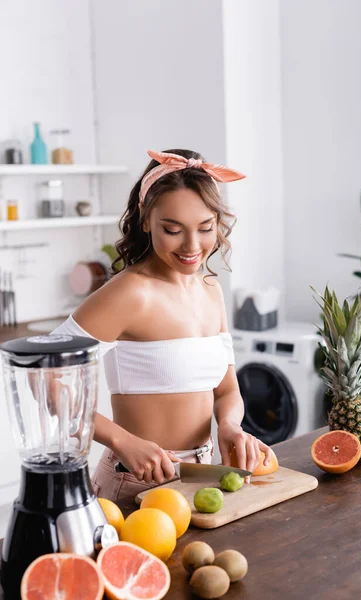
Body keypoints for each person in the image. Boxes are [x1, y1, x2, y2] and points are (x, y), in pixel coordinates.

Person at [52, 149, 271, 502]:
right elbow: (47, 376)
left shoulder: (210, 290)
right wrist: (122, 442)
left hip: (204, 478)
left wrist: (230, 426)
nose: (192, 246)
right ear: (144, 220)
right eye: (172, 230)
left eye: (205, 228)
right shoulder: (130, 293)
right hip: (135, 484)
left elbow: (227, 388)